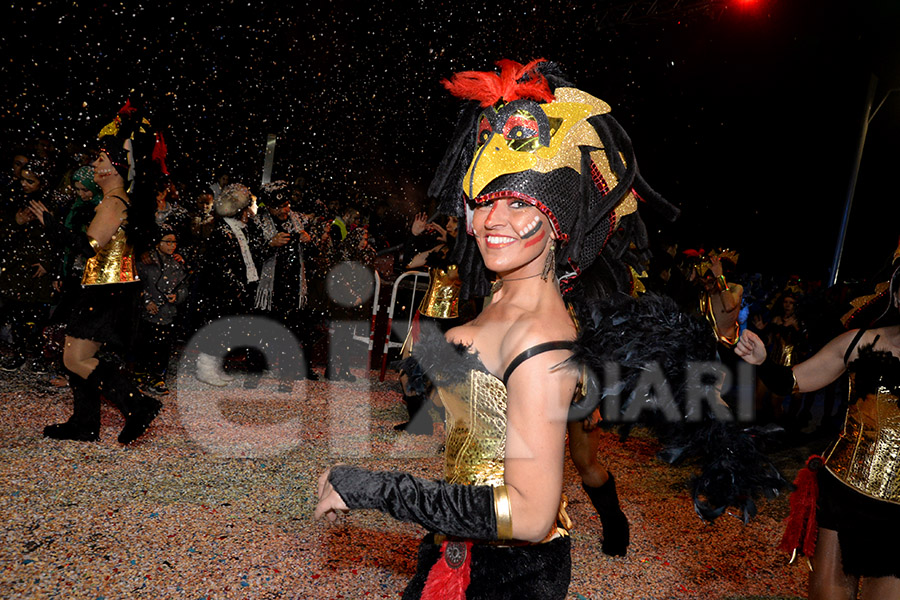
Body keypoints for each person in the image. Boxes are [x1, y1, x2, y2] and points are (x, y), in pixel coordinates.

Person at [315, 59, 688, 597]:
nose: (494, 220)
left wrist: (376, 489)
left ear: (558, 219)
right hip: (463, 545)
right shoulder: (503, 295)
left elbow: (532, 515)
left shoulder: (538, 338)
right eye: (487, 201)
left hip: (509, 576)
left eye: (519, 202)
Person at [735, 245, 900, 600]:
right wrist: (762, 359)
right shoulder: (860, 342)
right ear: (897, 292)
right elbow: (794, 381)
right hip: (845, 491)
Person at [29, 129, 163, 444]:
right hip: (108, 288)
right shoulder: (114, 200)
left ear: (115, 168)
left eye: (101, 159)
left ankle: (136, 404)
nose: (95, 165)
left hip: (108, 290)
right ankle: (85, 423)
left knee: (75, 359)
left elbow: (88, 246)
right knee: (76, 357)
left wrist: (50, 223)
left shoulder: (114, 202)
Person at [134, 225, 189, 395]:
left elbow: (184, 286)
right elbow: (137, 284)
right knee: (144, 345)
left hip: (167, 313)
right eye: (168, 242)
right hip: (147, 314)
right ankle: (141, 374)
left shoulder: (177, 264)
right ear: (158, 243)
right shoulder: (146, 261)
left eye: (174, 242)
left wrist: (177, 296)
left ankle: (158, 376)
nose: (172, 246)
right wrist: (146, 301)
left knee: (163, 346)